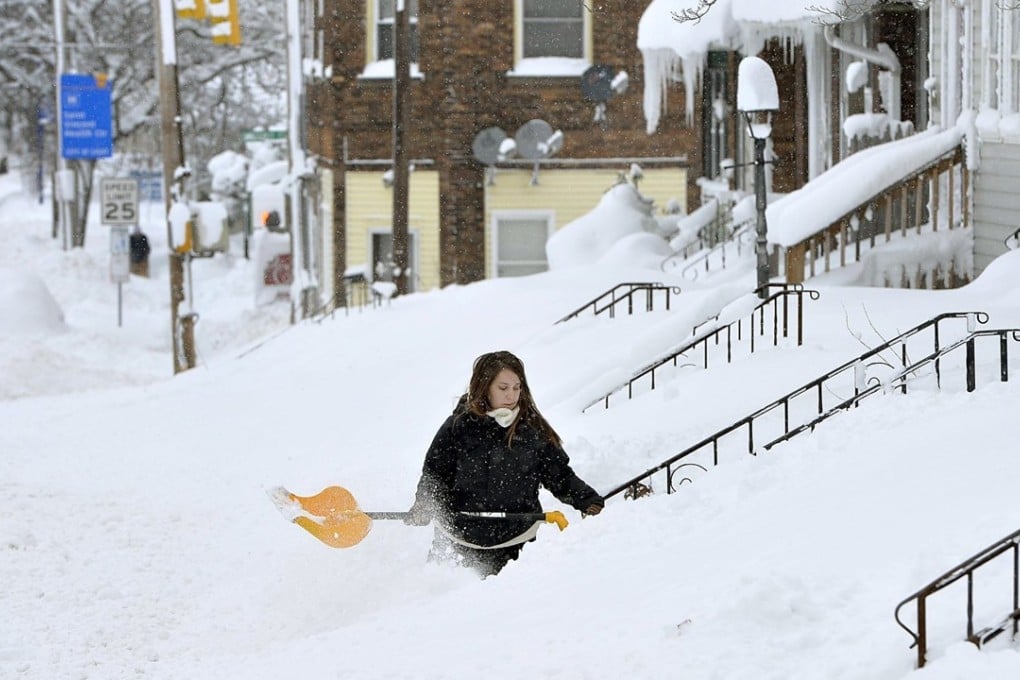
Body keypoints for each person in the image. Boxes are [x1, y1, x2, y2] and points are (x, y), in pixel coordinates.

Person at [406, 350, 604, 577]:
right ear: (485, 387)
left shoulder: (532, 431)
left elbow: (559, 476)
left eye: (516, 387)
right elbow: (435, 475)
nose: (511, 395)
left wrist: (588, 501)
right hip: (456, 542)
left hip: (516, 547)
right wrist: (425, 503)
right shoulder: (458, 427)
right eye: (503, 388)